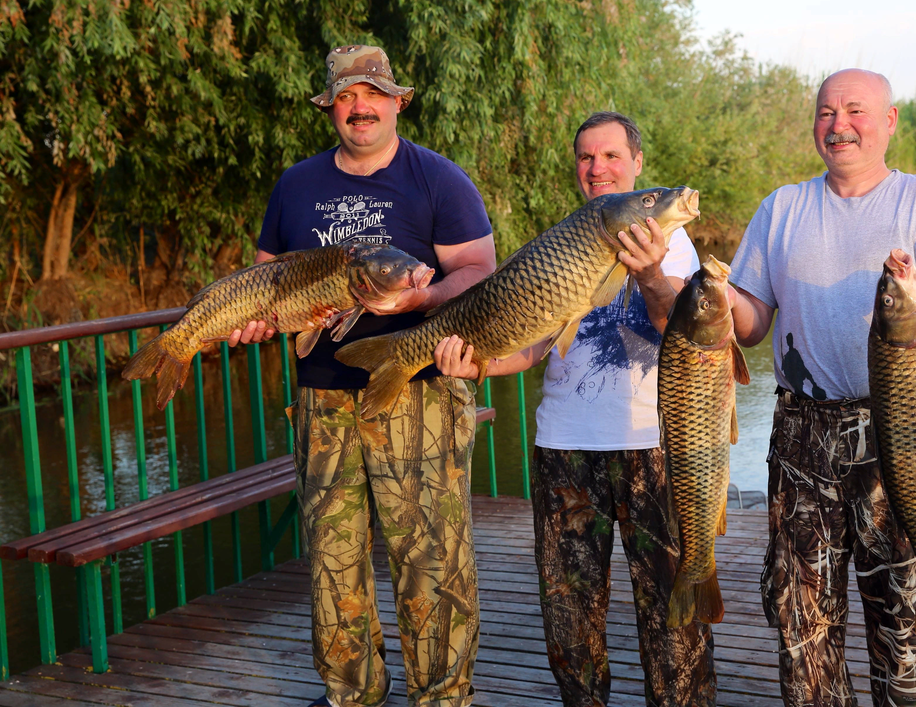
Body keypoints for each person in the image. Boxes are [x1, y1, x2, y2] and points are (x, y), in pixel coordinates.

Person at [230, 45, 496, 707]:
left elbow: (477, 271)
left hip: (421, 392)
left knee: (430, 558)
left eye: (372, 94)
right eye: (346, 97)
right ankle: (352, 693)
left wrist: (417, 300)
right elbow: (267, 276)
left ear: (397, 102)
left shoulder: (439, 179)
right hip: (323, 398)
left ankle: (443, 696)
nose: (360, 107)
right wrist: (258, 318)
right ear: (330, 108)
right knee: (332, 557)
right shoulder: (296, 185)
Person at [433, 112, 717, 707]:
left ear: (637, 163)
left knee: (672, 621)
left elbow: (686, 334)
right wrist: (475, 363)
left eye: (612, 156)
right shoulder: (564, 240)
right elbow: (532, 346)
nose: (598, 169)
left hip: (653, 444)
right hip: (563, 445)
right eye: (587, 158)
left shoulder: (677, 242)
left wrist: (650, 273)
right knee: (570, 619)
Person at [727, 69, 916, 707]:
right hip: (801, 436)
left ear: (891, 121)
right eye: (825, 112)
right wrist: (703, 298)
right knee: (801, 622)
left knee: (904, 624)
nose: (838, 124)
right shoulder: (782, 207)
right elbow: (754, 324)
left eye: (855, 111)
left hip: (902, 435)